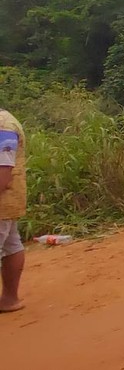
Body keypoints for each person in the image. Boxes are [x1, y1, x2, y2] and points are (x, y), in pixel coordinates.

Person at [0, 108, 26, 314]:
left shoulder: (4, 126)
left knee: (10, 244)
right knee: (11, 244)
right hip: (8, 201)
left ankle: (10, 298)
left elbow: (3, 172)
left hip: (3, 199)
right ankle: (9, 299)